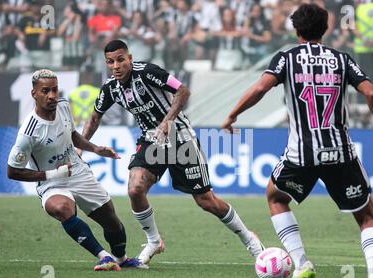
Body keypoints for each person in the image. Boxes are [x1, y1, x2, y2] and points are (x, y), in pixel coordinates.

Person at [222, 4, 373, 278]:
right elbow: (371, 93)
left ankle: (302, 262)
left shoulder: (286, 58)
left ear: (296, 30)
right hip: (340, 152)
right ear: (326, 28)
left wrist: (233, 115)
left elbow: (260, 89)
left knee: (275, 197)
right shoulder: (342, 59)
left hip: (301, 153)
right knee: (367, 216)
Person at [80, 39, 265, 265]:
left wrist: (168, 120)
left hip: (180, 137)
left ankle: (250, 240)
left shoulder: (148, 72)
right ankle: (154, 241)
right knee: (135, 189)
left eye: (120, 60)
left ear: (129, 58)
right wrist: (81, 147)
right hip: (151, 140)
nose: (116, 66)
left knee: (206, 201)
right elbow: (94, 118)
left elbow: (183, 91)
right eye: (111, 62)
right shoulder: (111, 88)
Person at [7, 69, 146, 271]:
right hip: (51, 182)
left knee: (111, 220)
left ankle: (121, 259)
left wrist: (96, 149)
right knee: (62, 209)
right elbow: (13, 172)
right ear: (34, 93)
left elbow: (72, 135)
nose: (52, 95)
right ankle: (103, 257)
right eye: (45, 91)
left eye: (54, 90)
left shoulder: (63, 106)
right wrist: (54, 174)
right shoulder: (28, 132)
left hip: (78, 172)